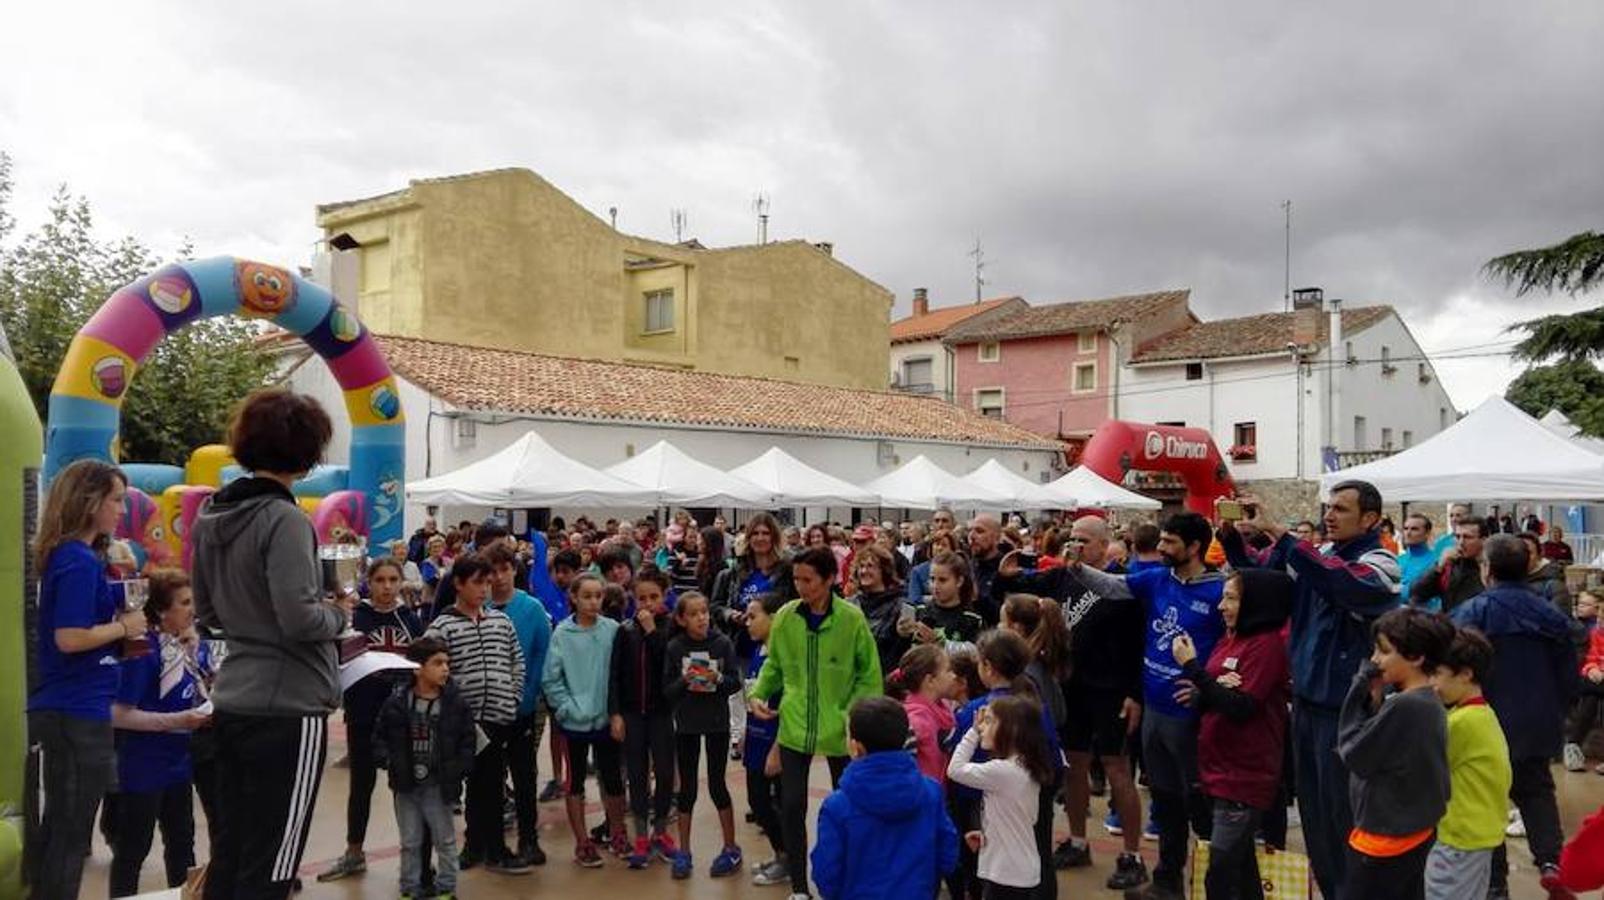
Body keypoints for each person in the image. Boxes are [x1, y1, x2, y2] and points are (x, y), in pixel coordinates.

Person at [192, 389, 346, 900]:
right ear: (306, 451)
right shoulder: (285, 519)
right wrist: (339, 613)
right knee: (274, 863)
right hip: (289, 707)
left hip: (233, 699)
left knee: (231, 854)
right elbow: (301, 618)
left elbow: (208, 614)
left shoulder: (210, 517)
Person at [1226, 481, 1402, 900]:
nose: (1329, 515)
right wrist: (1233, 538)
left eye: (1341, 509)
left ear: (1371, 519)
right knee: (1315, 819)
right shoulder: (1319, 555)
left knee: (1344, 819)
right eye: (1328, 507)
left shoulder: (1382, 563)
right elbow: (1266, 581)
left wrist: (1284, 536)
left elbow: (1342, 584)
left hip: (1346, 713)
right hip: (1305, 706)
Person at [1054, 513, 1227, 900]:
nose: (1160, 548)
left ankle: (1214, 883)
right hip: (1156, 706)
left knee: (1198, 802)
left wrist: (1205, 687)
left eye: (1169, 542)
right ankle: (1167, 880)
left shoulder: (1220, 590)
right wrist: (1078, 567)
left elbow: (1235, 647)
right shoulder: (1156, 578)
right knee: (1165, 799)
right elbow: (1113, 586)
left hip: (1189, 715)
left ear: (1194, 547)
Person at [996, 516, 1148, 889]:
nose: (1074, 546)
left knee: (1117, 768)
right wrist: (1006, 572)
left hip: (1112, 688)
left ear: (1102, 544)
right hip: (1071, 685)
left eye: (1083, 540)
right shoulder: (1064, 576)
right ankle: (1078, 840)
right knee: (1074, 765)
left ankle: (1132, 854)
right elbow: (1023, 586)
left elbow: (1138, 643)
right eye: (1071, 539)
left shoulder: (1121, 583)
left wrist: (1135, 693)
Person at [27, 460, 145, 899]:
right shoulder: (75, 559)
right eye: (115, 500)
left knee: (65, 828)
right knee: (70, 833)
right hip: (75, 709)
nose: (121, 510)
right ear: (90, 501)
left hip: (77, 706)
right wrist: (124, 628)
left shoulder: (78, 557)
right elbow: (70, 637)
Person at [748, 546, 883, 900]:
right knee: (791, 806)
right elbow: (773, 666)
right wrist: (759, 693)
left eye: (808, 580)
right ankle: (797, 888)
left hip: (842, 730)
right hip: (793, 727)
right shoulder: (787, 617)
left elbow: (869, 677)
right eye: (796, 579)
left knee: (845, 807)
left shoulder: (852, 620)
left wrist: (852, 716)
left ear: (829, 579)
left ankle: (846, 879)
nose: (800, 587)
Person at [1450, 534, 1579, 897]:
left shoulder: (1473, 611)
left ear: (1487, 569)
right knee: (1537, 790)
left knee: (1485, 798)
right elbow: (1569, 672)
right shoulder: (1550, 613)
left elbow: (1455, 664)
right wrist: (1560, 708)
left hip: (1485, 720)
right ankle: (1551, 862)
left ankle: (1495, 882)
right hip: (1538, 718)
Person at [1170, 569, 1292, 900]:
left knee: (1221, 869)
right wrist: (1206, 692)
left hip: (1245, 773)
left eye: (1232, 598)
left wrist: (1193, 668)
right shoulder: (1231, 638)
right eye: (1223, 597)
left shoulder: (1265, 647)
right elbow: (1223, 693)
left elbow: (1242, 706)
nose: (1222, 606)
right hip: (1217, 766)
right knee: (1240, 866)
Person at [1335, 607, 1454, 900]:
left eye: (1384, 651)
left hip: (1385, 842)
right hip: (1413, 832)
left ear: (1416, 657)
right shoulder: (1424, 701)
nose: (1374, 659)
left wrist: (1358, 688)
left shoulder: (1406, 705)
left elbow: (1354, 753)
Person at [318, 557, 425, 883]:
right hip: (363, 715)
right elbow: (338, 661)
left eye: (393, 580)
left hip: (402, 717)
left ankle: (414, 857)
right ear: (370, 581)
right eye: (381, 580)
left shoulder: (410, 620)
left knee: (405, 787)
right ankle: (354, 852)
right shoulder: (355, 618)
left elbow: (422, 664)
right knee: (361, 785)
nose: (387, 586)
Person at [423, 553, 530, 875]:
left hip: (497, 719)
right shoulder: (442, 625)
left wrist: (511, 697)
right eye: (477, 582)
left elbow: (516, 661)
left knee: (492, 784)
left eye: (487, 582)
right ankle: (469, 847)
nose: (485, 588)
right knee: (461, 787)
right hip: (459, 724)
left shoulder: (501, 620)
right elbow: (431, 671)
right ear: (458, 584)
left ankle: (495, 849)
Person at [108, 569, 210, 897]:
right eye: (184, 603)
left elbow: (193, 694)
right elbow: (119, 714)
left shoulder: (182, 645)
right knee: (133, 850)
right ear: (162, 609)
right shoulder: (143, 651)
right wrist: (178, 720)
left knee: (182, 845)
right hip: (144, 765)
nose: (191, 610)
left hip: (179, 764)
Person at [813, 696, 959, 900]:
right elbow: (948, 854)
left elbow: (826, 871)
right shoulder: (930, 792)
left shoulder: (837, 806)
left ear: (856, 747)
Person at [373, 636, 475, 900]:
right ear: (418, 668)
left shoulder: (455, 704)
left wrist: (459, 768)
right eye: (437, 663)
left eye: (447, 663)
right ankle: (409, 889)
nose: (445, 669)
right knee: (410, 842)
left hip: (439, 785)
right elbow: (379, 737)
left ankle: (447, 889)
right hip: (405, 785)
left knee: (446, 840)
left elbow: (468, 740)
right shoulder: (396, 703)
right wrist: (387, 760)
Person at [542, 572, 626, 867]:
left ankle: (617, 831)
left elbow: (619, 675)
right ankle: (582, 842)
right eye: (586, 596)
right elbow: (551, 679)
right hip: (574, 723)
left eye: (598, 596)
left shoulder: (613, 630)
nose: (593, 602)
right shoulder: (562, 634)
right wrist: (567, 709)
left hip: (605, 720)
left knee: (613, 779)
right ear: (574, 598)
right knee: (575, 781)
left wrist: (616, 712)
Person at [1424, 627, 1511, 900]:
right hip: (1479, 834)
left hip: (1459, 837)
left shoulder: (1460, 723)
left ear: (1465, 673)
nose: (1432, 684)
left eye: (1437, 674)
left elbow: (1421, 766)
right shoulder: (1482, 713)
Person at [663, 591, 745, 879]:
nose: (702, 618)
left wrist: (718, 678)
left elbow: (735, 683)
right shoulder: (674, 647)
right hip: (686, 724)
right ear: (682, 619)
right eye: (694, 614)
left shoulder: (722, 643)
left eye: (705, 612)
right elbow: (667, 691)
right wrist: (684, 680)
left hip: (716, 723)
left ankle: (731, 847)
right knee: (687, 789)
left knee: (716, 784)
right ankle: (684, 851)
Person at [484, 542, 552, 867]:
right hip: (487, 712)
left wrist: (528, 693)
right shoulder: (478, 606)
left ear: (514, 570)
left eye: (504, 569)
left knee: (525, 778)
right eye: (492, 571)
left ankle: (529, 839)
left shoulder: (532, 608)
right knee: (488, 778)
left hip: (523, 708)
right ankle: (489, 841)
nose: (498, 577)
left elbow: (542, 653)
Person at [949, 695, 1055, 900]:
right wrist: (990, 833)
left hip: (1006, 874)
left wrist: (972, 733)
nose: (982, 726)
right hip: (1018, 869)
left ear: (1012, 730)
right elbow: (1022, 817)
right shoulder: (1025, 765)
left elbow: (955, 770)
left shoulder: (1002, 771)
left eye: (988, 721)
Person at [609, 568, 676, 868]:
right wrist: (616, 714)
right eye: (641, 598)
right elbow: (614, 676)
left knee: (663, 774)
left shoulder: (671, 628)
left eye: (654, 597)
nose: (647, 604)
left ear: (664, 597)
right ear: (632, 599)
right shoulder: (624, 631)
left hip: (662, 713)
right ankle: (639, 835)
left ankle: (660, 831)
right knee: (635, 775)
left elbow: (669, 663)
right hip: (633, 713)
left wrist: (651, 631)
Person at [742, 592, 791, 887]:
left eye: (753, 616)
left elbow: (789, 707)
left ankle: (788, 860)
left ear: (774, 619)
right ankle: (779, 853)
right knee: (757, 802)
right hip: (756, 740)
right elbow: (753, 698)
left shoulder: (784, 658)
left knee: (780, 805)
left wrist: (777, 749)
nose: (747, 622)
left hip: (778, 744)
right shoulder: (759, 652)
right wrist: (747, 736)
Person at [886, 644, 958, 783]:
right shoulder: (915, 720)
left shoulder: (942, 709)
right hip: (920, 798)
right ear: (930, 680)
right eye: (948, 671)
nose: (954, 676)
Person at [849, 543, 913, 675]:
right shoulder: (850, 604)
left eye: (870, 566)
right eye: (861, 566)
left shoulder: (900, 606)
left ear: (884, 570)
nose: (864, 571)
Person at [1411, 518, 1487, 614]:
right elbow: (1417, 592)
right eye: (1457, 537)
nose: (1461, 542)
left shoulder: (1490, 567)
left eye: (1467, 537)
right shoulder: (1450, 565)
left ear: (1483, 540)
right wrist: (1438, 567)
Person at [912, 551, 986, 647]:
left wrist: (938, 642)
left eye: (942, 580)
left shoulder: (972, 620)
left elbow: (974, 655)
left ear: (959, 581)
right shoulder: (919, 611)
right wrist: (901, 635)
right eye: (932, 579)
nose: (935, 586)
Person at [1568, 590, 1604, 774]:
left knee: (1594, 693)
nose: (1600, 623)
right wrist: (1591, 669)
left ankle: (1573, 743)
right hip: (1596, 680)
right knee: (1591, 695)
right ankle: (1573, 746)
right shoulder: (1597, 633)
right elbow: (1592, 656)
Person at [967, 514, 1011, 625]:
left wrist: (978, 598)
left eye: (979, 531)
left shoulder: (1007, 569)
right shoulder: (967, 566)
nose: (972, 536)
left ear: (996, 538)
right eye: (970, 530)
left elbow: (1008, 615)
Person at [1519, 531, 1575, 615]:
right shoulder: (1502, 582)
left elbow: (1558, 618)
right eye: (1517, 552)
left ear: (1539, 555)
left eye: (1529, 553)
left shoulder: (1553, 585)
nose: (1522, 556)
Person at [1398, 514, 1439, 597]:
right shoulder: (1398, 559)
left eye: (1414, 529)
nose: (1408, 533)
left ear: (1427, 533)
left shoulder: (1436, 562)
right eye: (1406, 528)